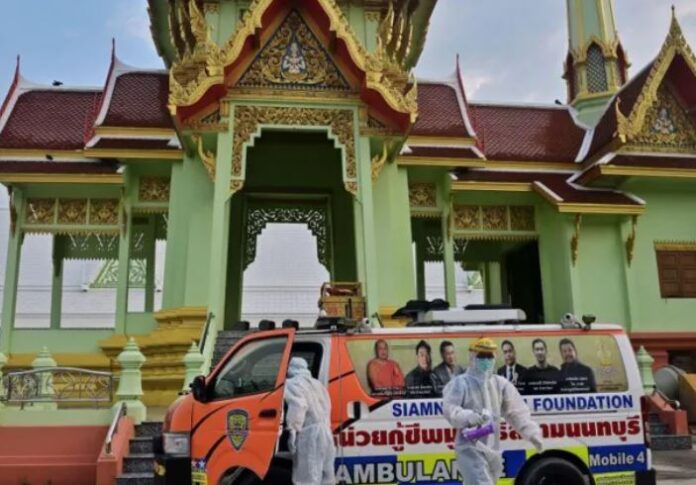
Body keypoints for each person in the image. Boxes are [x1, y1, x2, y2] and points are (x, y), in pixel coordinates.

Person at [443, 338, 544, 485]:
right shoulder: (461, 383)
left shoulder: (499, 384)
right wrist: (469, 417)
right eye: (482, 356)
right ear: (472, 357)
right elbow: (450, 409)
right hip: (470, 447)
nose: (486, 360)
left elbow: (515, 412)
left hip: (493, 450)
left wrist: (532, 433)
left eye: (489, 356)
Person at [284, 357, 335, 485]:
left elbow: (298, 406)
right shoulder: (318, 384)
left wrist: (293, 431)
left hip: (310, 435)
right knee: (326, 476)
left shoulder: (292, 383)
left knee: (308, 477)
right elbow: (328, 406)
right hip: (326, 433)